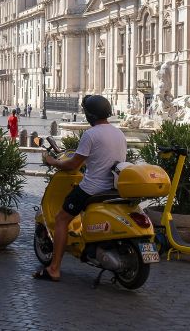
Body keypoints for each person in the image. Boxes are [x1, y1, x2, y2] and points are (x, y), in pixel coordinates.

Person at [34, 94, 126, 282]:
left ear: (90, 115)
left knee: (61, 219)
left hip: (91, 188)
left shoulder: (91, 135)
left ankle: (54, 268)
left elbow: (72, 165)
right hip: (112, 188)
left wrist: (52, 161)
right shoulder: (119, 133)